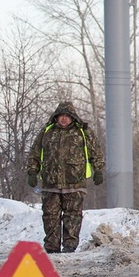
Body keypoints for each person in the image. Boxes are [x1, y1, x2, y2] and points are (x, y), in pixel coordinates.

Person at [26, 101, 104, 254]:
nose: (63, 119)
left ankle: (69, 246)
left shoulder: (83, 132)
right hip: (50, 183)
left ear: (72, 117)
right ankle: (52, 247)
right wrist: (32, 172)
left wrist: (98, 170)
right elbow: (34, 154)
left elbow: (96, 152)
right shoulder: (46, 132)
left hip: (75, 182)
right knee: (50, 216)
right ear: (56, 117)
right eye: (61, 116)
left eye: (67, 116)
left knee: (73, 216)